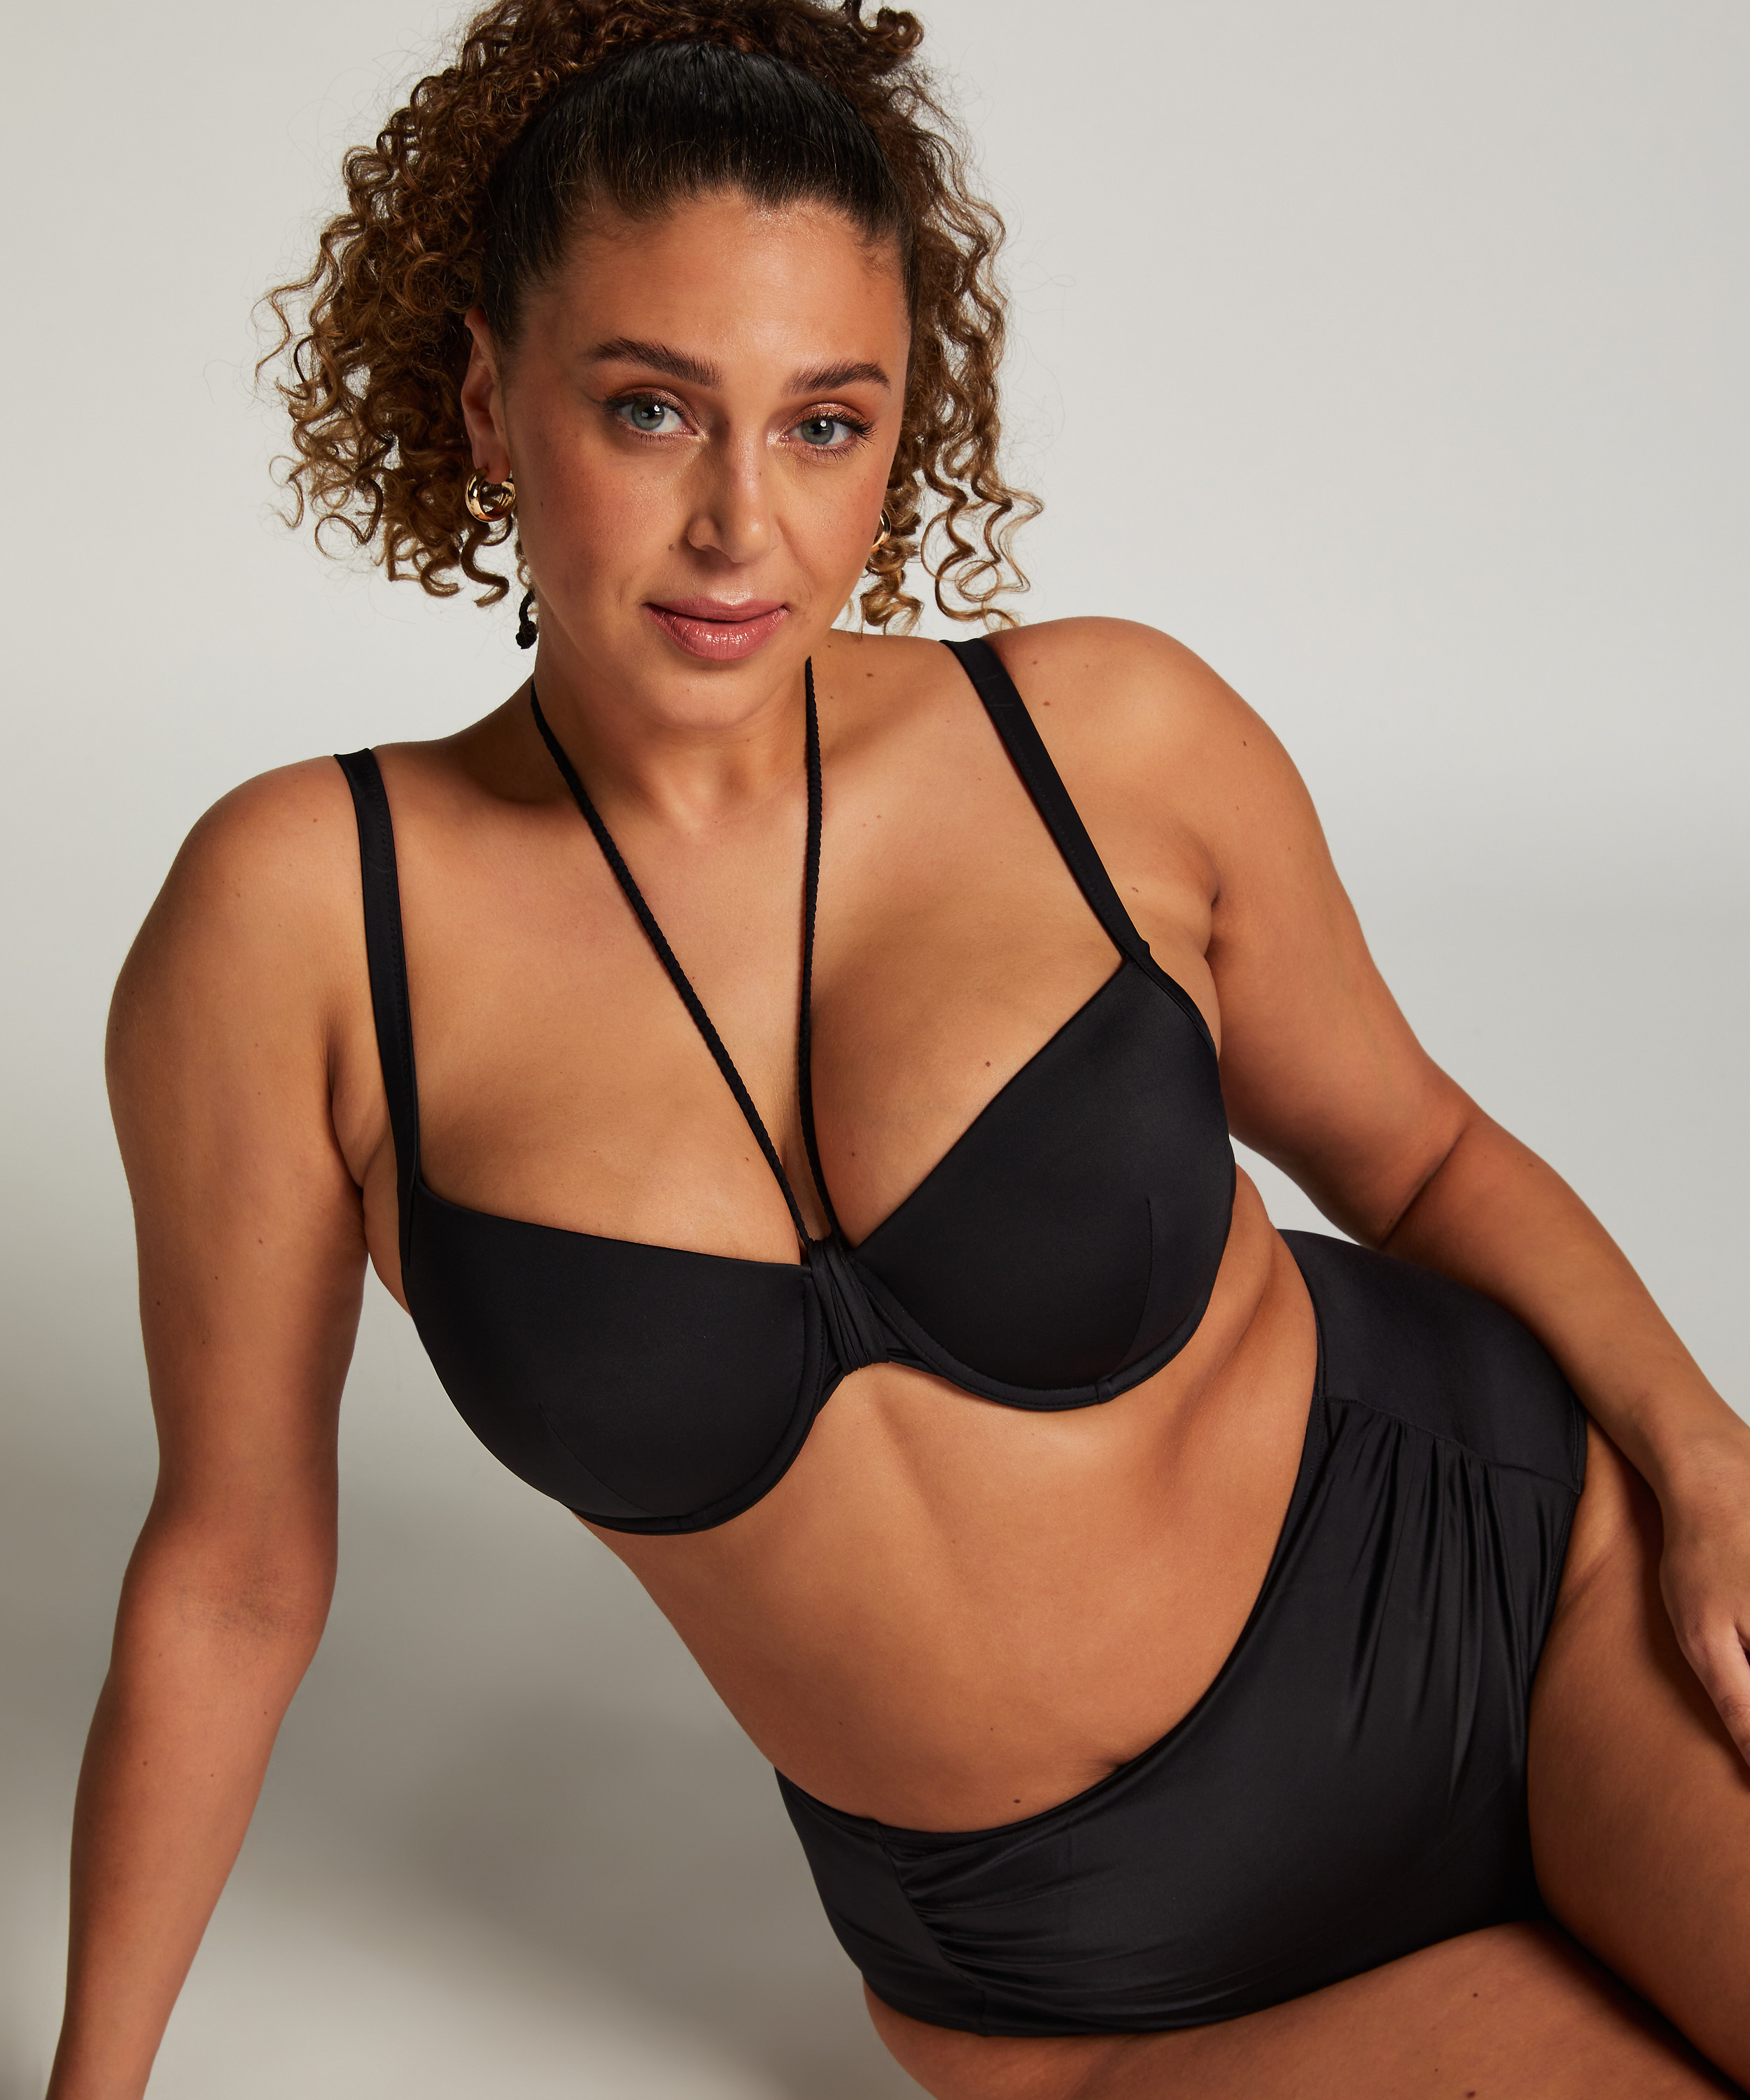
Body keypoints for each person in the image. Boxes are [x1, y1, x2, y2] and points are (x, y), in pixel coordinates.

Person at [50, 3, 1750, 2095]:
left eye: (824, 424)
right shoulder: (300, 923)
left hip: (1524, 1600)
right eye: (653, 410)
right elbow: (233, 1575)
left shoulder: (1104, 743)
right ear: (488, 399)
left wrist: (1704, 1461)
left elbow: (1418, 1160)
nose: (741, 526)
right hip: (1076, 1971)